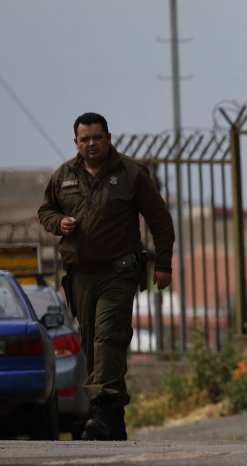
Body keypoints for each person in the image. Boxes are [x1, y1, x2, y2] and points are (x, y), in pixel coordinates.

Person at [38, 112, 175, 440]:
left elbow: (160, 220)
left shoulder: (130, 173)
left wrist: (164, 265)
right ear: (76, 143)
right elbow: (45, 211)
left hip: (119, 272)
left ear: (108, 138)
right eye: (84, 139)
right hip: (80, 277)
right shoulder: (63, 177)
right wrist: (59, 223)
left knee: (108, 337)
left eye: (97, 137)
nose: (91, 144)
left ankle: (99, 410)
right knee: (91, 343)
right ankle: (114, 418)